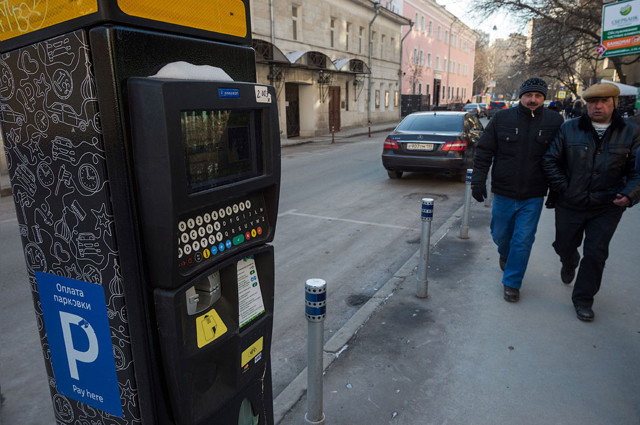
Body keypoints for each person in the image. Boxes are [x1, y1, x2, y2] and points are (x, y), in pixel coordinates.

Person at [542, 82, 640, 321]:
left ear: (613, 103)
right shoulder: (570, 129)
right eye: (593, 102)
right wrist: (564, 188)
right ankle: (569, 260)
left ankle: (583, 299)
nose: (598, 106)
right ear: (586, 105)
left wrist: (629, 194)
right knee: (563, 245)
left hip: (607, 205)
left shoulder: (631, 132)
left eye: (604, 102)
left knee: (596, 254)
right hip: (570, 202)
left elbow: (638, 170)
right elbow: (550, 160)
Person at [471, 78, 564, 302]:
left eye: (538, 96)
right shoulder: (502, 118)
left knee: (523, 240)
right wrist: (478, 180)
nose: (533, 100)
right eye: (529, 95)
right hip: (503, 191)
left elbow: (561, 158)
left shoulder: (555, 121)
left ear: (544, 98)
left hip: (533, 194)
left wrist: (556, 189)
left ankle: (512, 283)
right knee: (500, 234)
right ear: (521, 96)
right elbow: (484, 151)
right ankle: (505, 253)